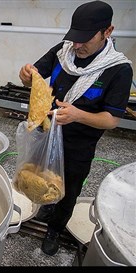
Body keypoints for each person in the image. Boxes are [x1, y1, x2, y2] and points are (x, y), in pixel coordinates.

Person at [18, 0, 132, 256]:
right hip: (46, 133)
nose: (77, 46)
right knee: (42, 177)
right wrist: (25, 75)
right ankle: (46, 206)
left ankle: (56, 228)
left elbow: (112, 120)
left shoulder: (118, 69)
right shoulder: (64, 51)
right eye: (74, 38)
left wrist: (78, 115)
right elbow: (33, 77)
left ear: (107, 32)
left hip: (78, 143)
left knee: (68, 188)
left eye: (85, 39)